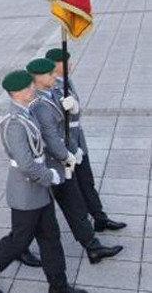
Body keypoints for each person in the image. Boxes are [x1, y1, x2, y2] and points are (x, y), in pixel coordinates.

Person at [0, 70, 85, 293]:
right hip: (26, 191)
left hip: (39, 190)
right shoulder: (14, 123)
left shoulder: (28, 111)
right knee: (19, 240)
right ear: (16, 93)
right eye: (28, 88)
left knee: (50, 236)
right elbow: (26, 164)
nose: (33, 89)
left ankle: (58, 286)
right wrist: (49, 176)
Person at [26, 58, 122, 264]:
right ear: (39, 78)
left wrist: (74, 111)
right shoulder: (40, 104)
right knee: (34, 216)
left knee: (73, 205)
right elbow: (51, 136)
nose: (55, 76)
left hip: (61, 161)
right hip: (52, 165)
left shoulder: (50, 94)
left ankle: (92, 247)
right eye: (50, 74)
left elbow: (65, 125)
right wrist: (68, 155)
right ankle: (16, 248)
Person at [44, 48, 126, 232]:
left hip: (77, 139)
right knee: (56, 193)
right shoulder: (53, 88)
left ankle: (99, 217)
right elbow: (55, 124)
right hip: (65, 144)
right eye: (65, 62)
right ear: (55, 65)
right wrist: (71, 148)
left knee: (86, 181)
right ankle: (20, 240)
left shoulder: (66, 81)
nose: (70, 64)